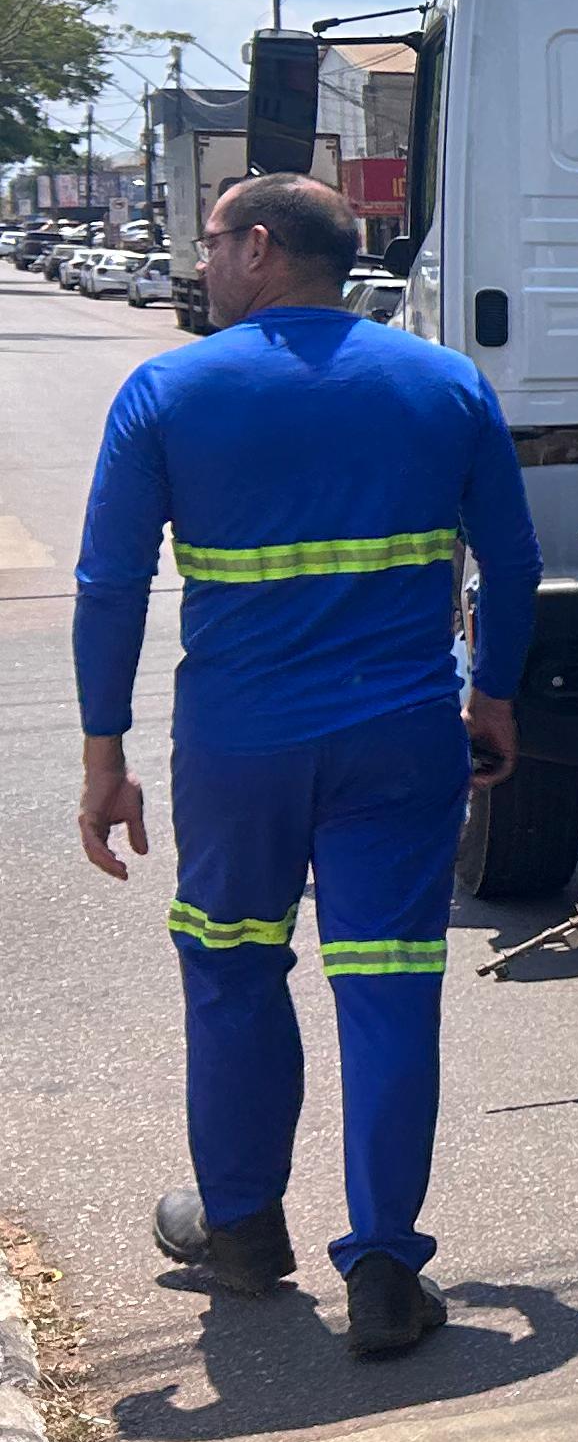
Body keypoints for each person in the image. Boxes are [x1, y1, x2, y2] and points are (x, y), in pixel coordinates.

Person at [71, 174, 541, 1358]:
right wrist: (491, 702)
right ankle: (386, 1267)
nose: (203, 260)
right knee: (387, 987)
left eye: (214, 240)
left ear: (264, 249)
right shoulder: (444, 382)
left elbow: (109, 586)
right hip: (401, 738)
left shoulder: (170, 389)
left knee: (230, 972)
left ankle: (239, 1229)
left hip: (241, 751)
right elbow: (515, 564)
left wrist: (103, 756)